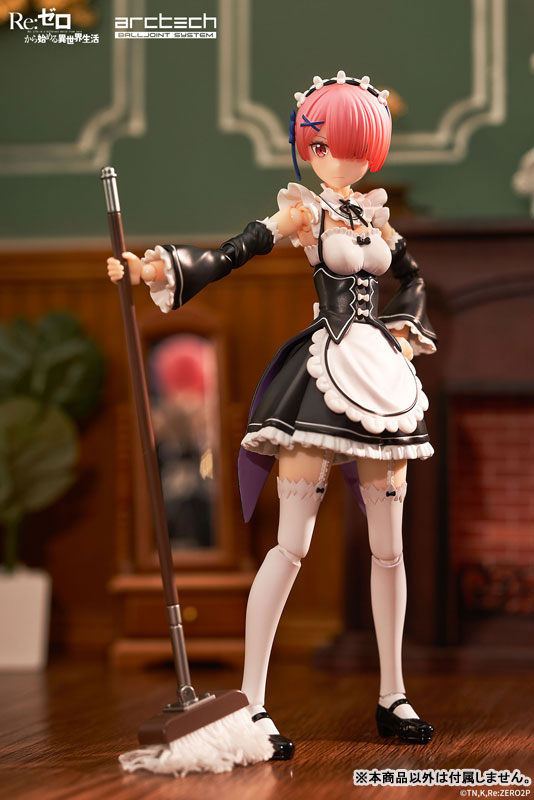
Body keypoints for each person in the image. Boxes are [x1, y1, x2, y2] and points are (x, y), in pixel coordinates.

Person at [107, 70, 438, 757]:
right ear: (309, 148)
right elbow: (238, 249)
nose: (337, 156)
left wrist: (405, 332)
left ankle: (393, 693)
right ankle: (252, 702)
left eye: (353, 145)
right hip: (324, 375)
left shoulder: (376, 219)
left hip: (381, 376)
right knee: (293, 544)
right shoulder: (306, 213)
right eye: (322, 144)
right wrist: (160, 270)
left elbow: (410, 278)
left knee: (390, 547)